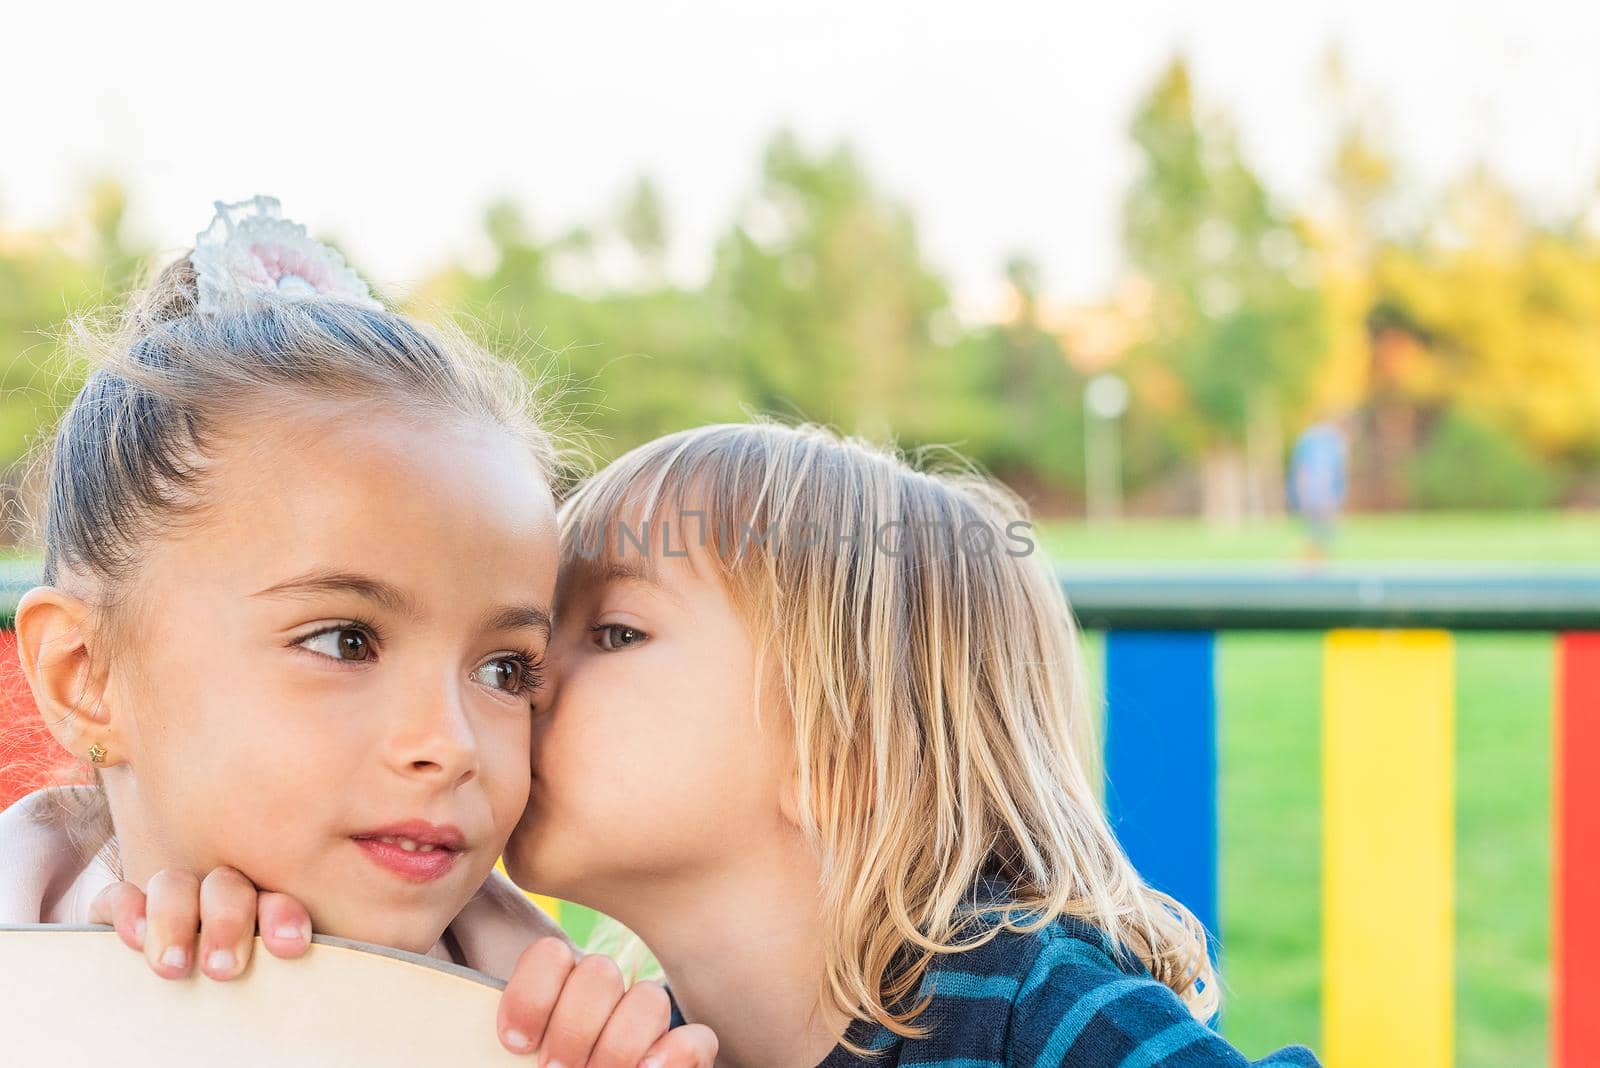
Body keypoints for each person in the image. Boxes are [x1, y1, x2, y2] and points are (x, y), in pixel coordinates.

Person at [0, 196, 714, 1066]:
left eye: (503, 670)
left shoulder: (553, 1020)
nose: (450, 746)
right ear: (86, 675)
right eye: (346, 640)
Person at [1287, 418, 1350, 562]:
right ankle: (1309, 561)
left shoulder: (1332, 443)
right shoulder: (1317, 443)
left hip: (1321, 495)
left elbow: (1338, 471)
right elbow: (1304, 471)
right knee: (1316, 530)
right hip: (1316, 495)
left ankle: (1316, 560)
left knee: (1324, 531)